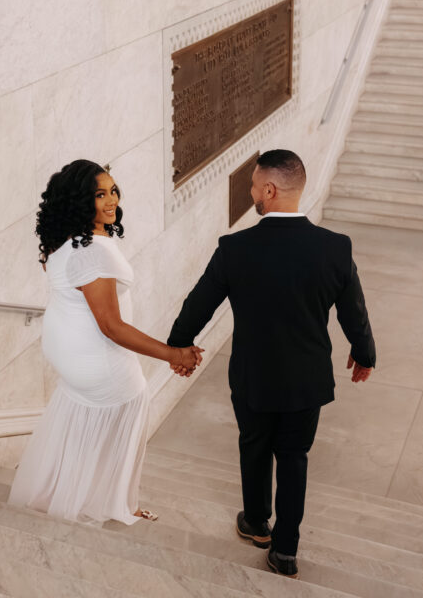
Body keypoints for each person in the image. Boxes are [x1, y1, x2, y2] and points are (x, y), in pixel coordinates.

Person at [167, 149, 376, 579]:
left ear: (270, 189)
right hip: (306, 380)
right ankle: (285, 551)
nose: (251, 195)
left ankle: (257, 521)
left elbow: (198, 304)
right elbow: (354, 309)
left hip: (253, 376)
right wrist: (364, 351)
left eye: (253, 187)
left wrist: (178, 346)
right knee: (295, 457)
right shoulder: (335, 248)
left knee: (254, 445)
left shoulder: (235, 249)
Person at [9, 159, 203, 526]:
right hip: (100, 364)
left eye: (113, 190)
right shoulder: (92, 252)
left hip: (73, 361)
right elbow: (111, 327)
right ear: (80, 201)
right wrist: (172, 354)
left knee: (79, 428)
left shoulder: (63, 241)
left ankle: (63, 495)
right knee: (125, 416)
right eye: (100, 194)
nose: (112, 200)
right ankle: (116, 507)